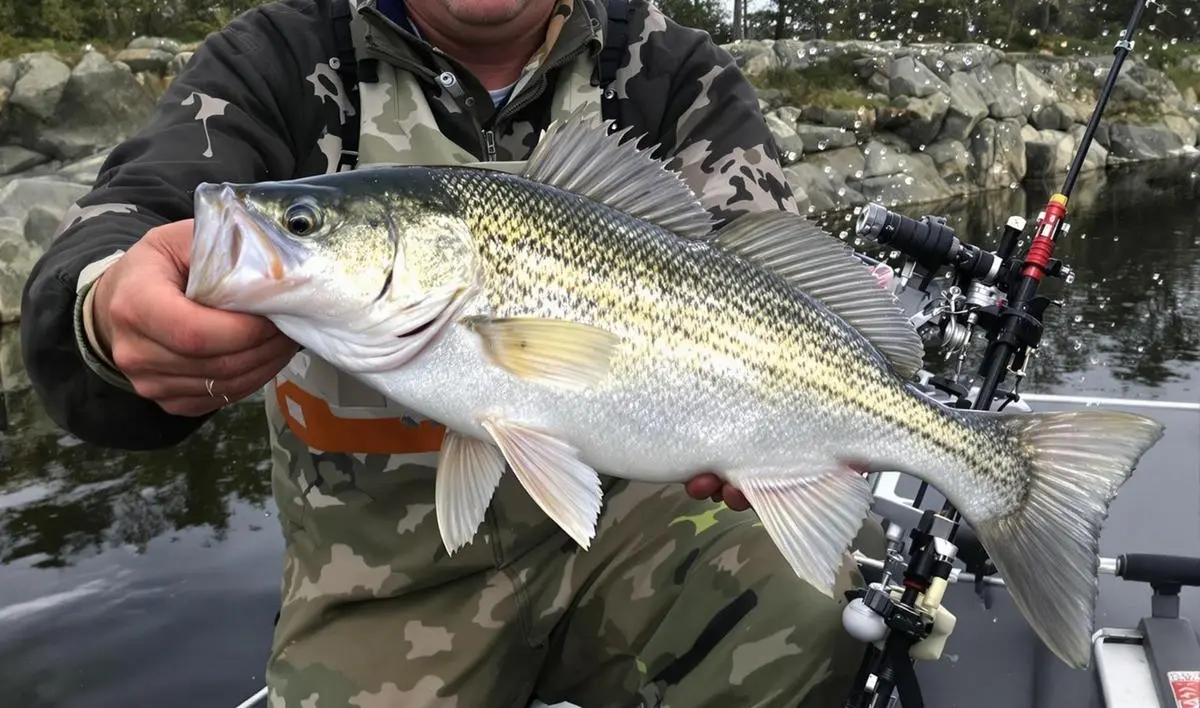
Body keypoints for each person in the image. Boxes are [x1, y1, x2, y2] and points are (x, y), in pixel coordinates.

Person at [20, 0, 884, 705]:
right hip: (384, 581)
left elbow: (769, 266)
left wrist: (777, 428)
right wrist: (103, 310)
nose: (283, 233)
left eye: (305, 223)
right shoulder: (280, 59)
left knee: (813, 603)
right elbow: (127, 215)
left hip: (637, 530)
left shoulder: (667, 67)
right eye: (306, 222)